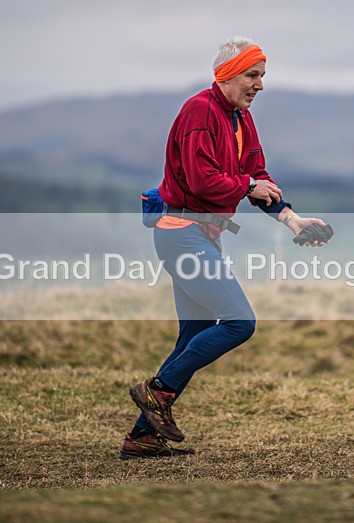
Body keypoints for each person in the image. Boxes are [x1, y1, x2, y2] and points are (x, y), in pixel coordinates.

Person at [121, 36, 330, 460]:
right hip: (180, 233)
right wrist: (249, 185)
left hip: (203, 235)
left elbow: (258, 178)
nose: (260, 85)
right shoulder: (199, 111)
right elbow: (203, 181)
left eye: (262, 76)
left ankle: (143, 437)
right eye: (252, 76)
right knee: (239, 322)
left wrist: (292, 220)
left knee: (194, 334)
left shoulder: (241, 119)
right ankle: (157, 392)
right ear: (227, 75)